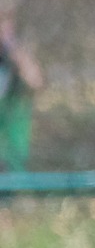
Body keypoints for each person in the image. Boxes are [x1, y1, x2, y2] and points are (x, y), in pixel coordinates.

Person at [0, 12, 43, 172]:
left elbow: (36, 82)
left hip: (12, 119)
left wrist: (16, 54)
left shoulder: (16, 58)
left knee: (14, 161)